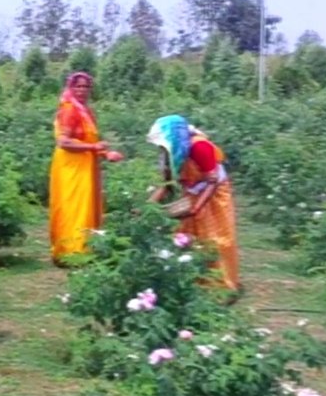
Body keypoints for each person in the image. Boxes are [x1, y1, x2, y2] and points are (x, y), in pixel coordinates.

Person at [146, 114, 240, 293]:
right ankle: (191, 283)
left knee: (215, 238)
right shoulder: (171, 153)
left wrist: (197, 207)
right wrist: (147, 207)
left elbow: (213, 180)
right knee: (186, 235)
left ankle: (219, 287)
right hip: (193, 193)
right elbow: (166, 185)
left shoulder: (199, 147)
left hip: (214, 194)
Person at [48, 71, 124, 266]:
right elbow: (63, 142)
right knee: (73, 206)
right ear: (71, 88)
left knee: (87, 206)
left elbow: (92, 141)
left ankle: (86, 249)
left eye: (85, 87)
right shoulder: (69, 110)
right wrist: (92, 148)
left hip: (86, 164)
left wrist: (106, 154)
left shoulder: (87, 112)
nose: (82, 90)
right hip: (70, 166)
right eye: (78, 86)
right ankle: (71, 251)